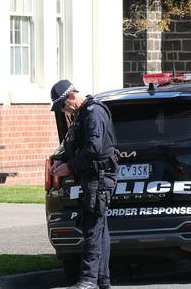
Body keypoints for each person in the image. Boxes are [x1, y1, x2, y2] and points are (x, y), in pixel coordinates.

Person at [50, 80, 118, 289]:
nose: (63, 110)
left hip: (99, 176)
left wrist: (69, 167)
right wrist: (64, 161)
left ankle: (88, 280)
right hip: (93, 176)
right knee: (99, 227)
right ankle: (102, 280)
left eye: (62, 105)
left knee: (93, 226)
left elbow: (94, 147)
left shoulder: (93, 112)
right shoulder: (83, 113)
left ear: (71, 96)